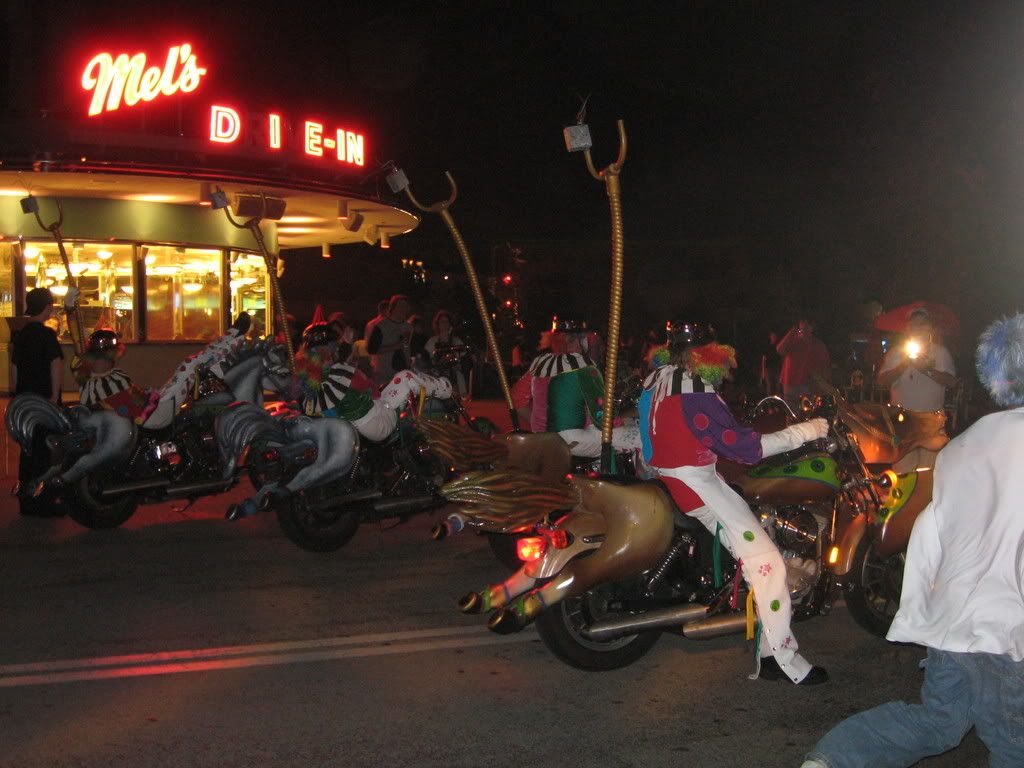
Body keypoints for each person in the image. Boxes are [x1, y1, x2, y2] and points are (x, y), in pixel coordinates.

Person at [802, 313, 1024, 767]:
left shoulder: (962, 447)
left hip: (953, 620)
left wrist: (922, 611)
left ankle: (834, 760)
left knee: (938, 721)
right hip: (1005, 630)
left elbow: (930, 531)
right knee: (1014, 743)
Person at [639, 320, 829, 686]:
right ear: (704, 353)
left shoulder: (658, 378)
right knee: (769, 564)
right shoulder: (694, 389)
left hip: (666, 475)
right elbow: (744, 447)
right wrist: (804, 432)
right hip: (694, 483)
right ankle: (782, 658)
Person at [293, 321, 451, 442]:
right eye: (335, 345)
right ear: (329, 347)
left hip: (355, 425)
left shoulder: (312, 380)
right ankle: (445, 388)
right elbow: (374, 391)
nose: (337, 348)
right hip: (376, 423)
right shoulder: (339, 372)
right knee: (404, 376)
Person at [511, 318, 634, 458]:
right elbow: (600, 413)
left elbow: (516, 399)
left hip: (543, 438)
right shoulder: (583, 364)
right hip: (574, 437)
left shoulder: (540, 363)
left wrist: (541, 423)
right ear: (578, 341)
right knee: (638, 439)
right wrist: (619, 421)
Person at [12, 288, 64, 515]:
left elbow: (14, 368)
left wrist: (17, 394)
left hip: (25, 400)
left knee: (28, 450)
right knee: (45, 451)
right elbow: (55, 365)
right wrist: (54, 396)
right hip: (43, 400)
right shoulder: (47, 335)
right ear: (47, 307)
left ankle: (26, 499)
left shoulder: (21, 335)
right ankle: (40, 501)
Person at [875, 308, 956, 412]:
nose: (918, 328)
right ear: (908, 328)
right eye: (914, 324)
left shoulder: (941, 352)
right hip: (900, 418)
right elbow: (881, 382)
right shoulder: (895, 352)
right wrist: (903, 365)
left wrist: (927, 370)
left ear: (930, 328)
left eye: (922, 324)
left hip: (931, 418)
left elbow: (952, 382)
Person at [777, 318, 831, 402]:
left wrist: (824, 384)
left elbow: (825, 365)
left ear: (812, 327)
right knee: (791, 410)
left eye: (807, 325)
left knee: (808, 411)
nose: (805, 327)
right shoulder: (792, 340)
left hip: (809, 385)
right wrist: (790, 333)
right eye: (802, 324)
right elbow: (779, 350)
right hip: (790, 382)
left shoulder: (819, 345)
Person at [367, 294, 413, 387]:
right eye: (400, 306)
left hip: (403, 374)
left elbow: (407, 348)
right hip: (384, 374)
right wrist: (396, 346)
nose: (403, 309)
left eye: (405, 307)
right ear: (393, 307)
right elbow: (372, 349)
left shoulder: (409, 327)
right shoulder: (381, 326)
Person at [424, 310, 467, 395]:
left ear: (450, 324)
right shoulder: (432, 342)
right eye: (441, 322)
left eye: (446, 321)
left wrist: (457, 364)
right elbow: (427, 362)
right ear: (438, 324)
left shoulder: (457, 341)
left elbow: (464, 361)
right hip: (438, 380)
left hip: (456, 381)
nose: (444, 324)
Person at [760, 330, 781, 395]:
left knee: (778, 386)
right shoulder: (767, 347)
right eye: (772, 336)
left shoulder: (779, 347)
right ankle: (769, 401)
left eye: (775, 336)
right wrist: (763, 372)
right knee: (769, 386)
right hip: (768, 369)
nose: (774, 338)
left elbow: (782, 358)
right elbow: (764, 360)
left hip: (777, 369)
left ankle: (778, 402)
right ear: (770, 337)